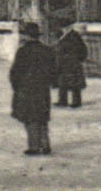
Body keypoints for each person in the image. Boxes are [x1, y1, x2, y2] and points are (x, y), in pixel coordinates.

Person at [9, 21, 57, 156]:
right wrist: (49, 82)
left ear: (26, 35)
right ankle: (45, 144)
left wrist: (16, 86)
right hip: (42, 88)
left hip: (27, 88)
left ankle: (34, 146)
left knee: (30, 117)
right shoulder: (47, 50)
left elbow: (16, 72)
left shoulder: (23, 51)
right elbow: (53, 70)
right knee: (42, 116)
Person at [54, 23, 88, 108]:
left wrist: (77, 59)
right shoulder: (67, 36)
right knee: (65, 83)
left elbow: (83, 50)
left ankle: (72, 102)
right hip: (68, 63)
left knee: (71, 83)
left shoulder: (72, 37)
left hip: (70, 63)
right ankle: (65, 101)